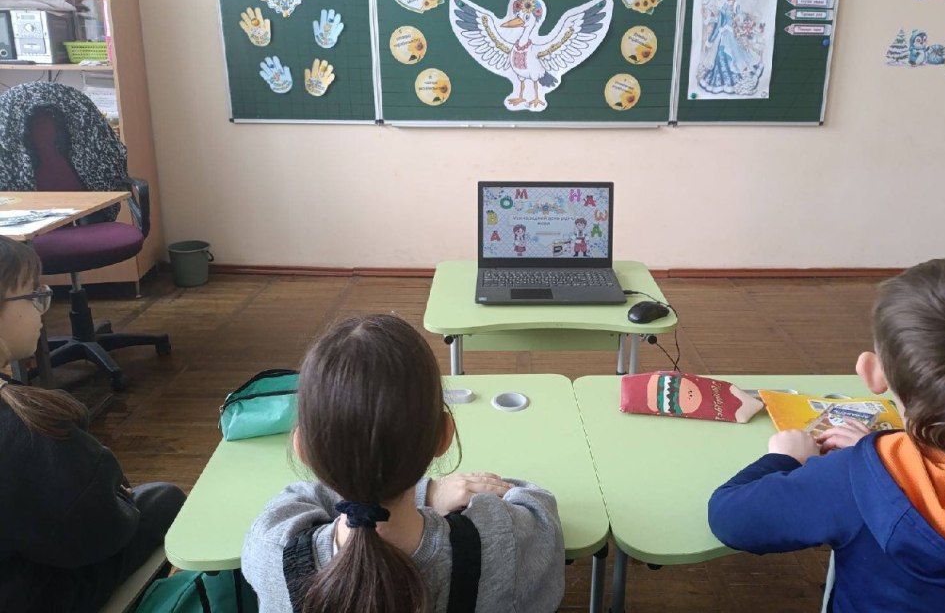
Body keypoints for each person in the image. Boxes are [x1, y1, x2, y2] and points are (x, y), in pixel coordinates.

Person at [708, 257, 945, 612]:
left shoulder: (848, 481)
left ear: (872, 373)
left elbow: (730, 518)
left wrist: (785, 458)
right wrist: (882, 452)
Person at [241, 314, 565, 613]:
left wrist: (413, 492)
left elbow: (303, 496)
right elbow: (539, 507)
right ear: (444, 436)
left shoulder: (271, 549)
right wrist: (429, 494)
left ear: (302, 448)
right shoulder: (499, 540)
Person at [0, 236, 185, 613]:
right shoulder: (31, 431)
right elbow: (101, 532)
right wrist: (117, 496)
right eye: (34, 296)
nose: (42, 309)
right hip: (30, 598)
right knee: (164, 500)